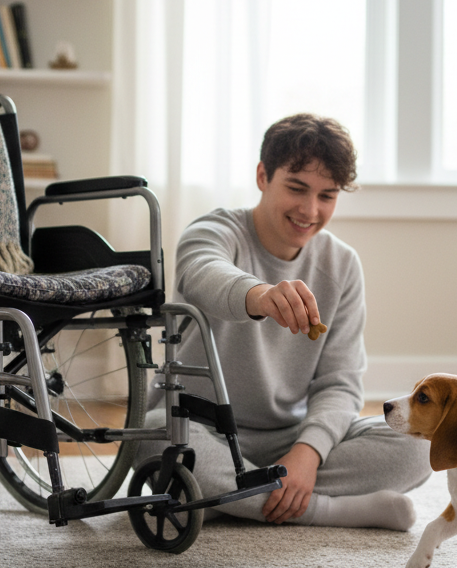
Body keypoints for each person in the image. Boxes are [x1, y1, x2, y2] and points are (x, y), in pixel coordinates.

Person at [135, 113, 431, 528]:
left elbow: (340, 382)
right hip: (201, 428)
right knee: (151, 434)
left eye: (327, 196)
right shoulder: (214, 231)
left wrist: (307, 454)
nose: (310, 210)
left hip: (287, 438)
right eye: (297, 188)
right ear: (262, 176)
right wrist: (261, 296)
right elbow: (201, 273)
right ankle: (329, 510)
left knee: (417, 446)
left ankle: (222, 500)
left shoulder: (341, 264)